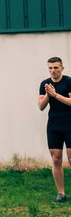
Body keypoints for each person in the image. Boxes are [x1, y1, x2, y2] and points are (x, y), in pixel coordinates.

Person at [38, 56, 71, 203]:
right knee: (56, 159)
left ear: (62, 68)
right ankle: (61, 194)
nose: (53, 71)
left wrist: (55, 95)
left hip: (69, 123)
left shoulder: (69, 82)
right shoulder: (45, 84)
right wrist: (48, 95)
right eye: (50, 68)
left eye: (56, 68)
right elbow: (41, 106)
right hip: (54, 125)